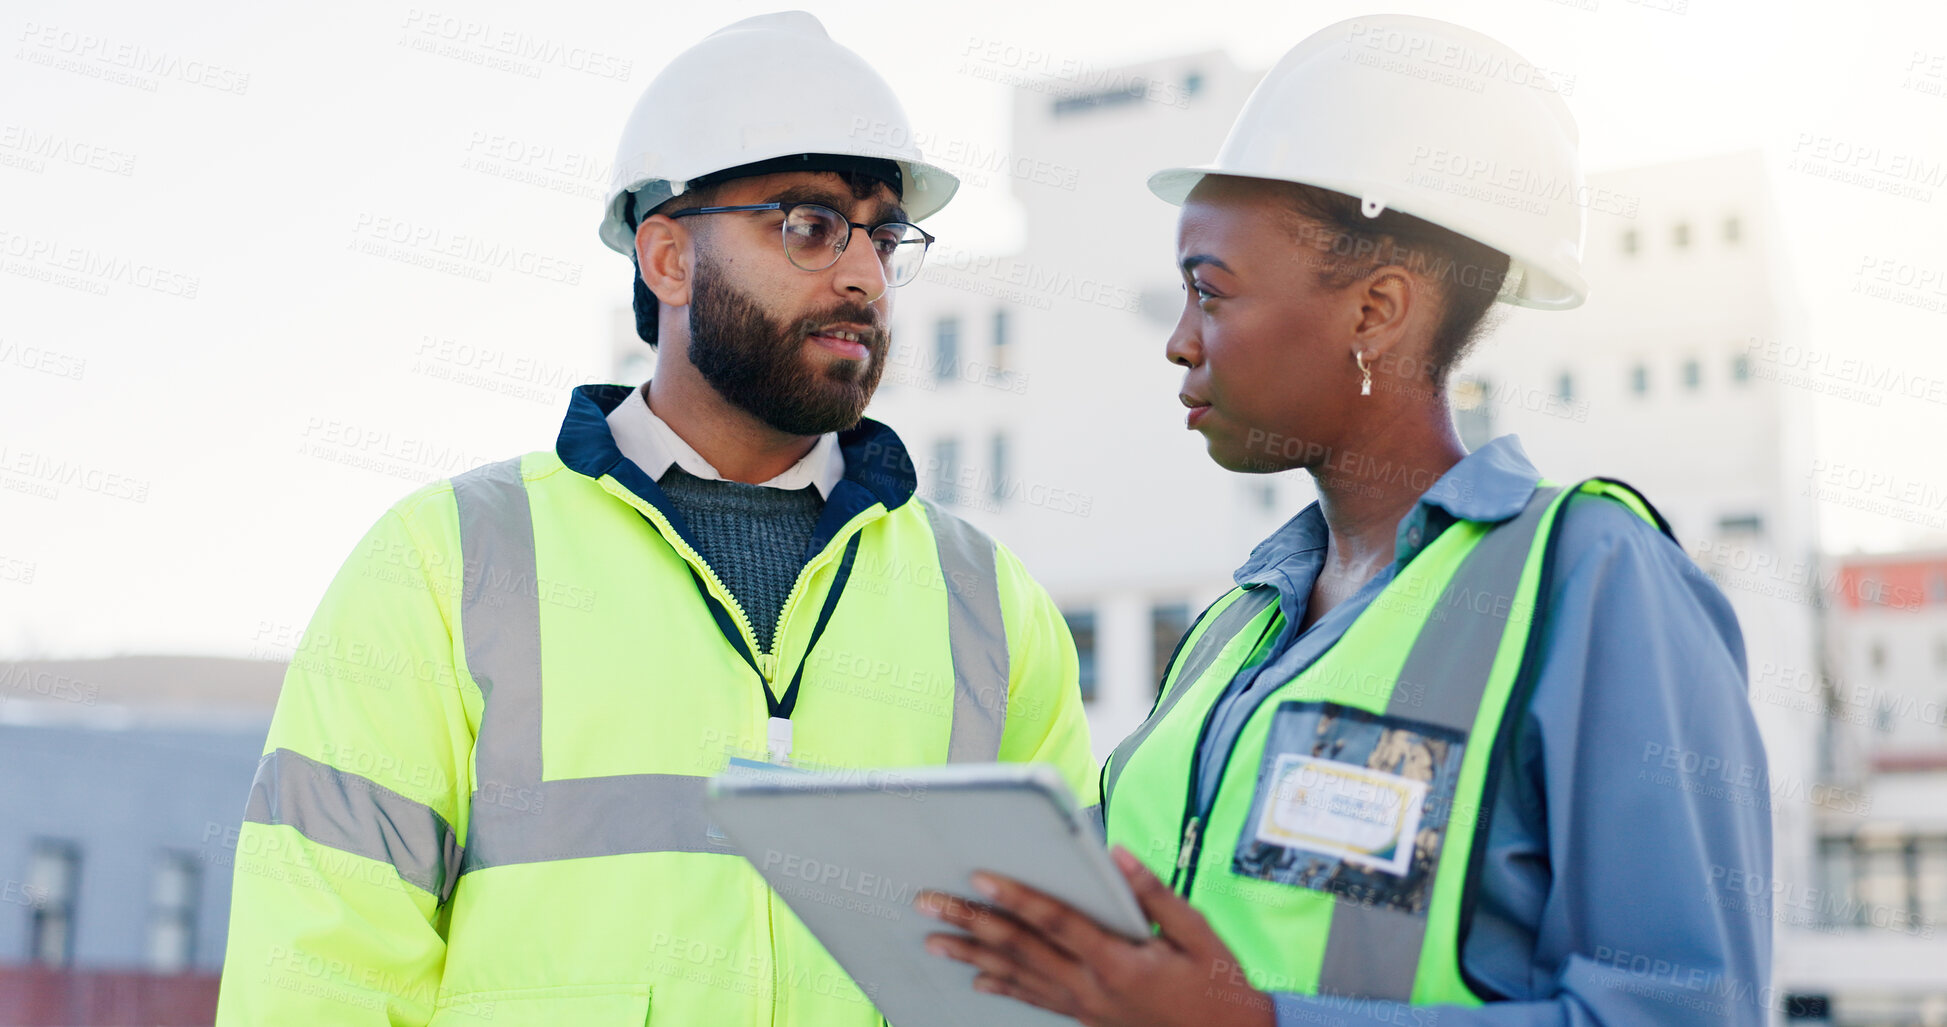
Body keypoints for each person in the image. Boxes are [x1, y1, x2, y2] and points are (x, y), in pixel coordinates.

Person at [214, 12, 1093, 1025]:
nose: (863, 275)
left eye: (884, 235)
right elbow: (319, 976)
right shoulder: (447, 562)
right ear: (667, 257)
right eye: (809, 223)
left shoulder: (988, 602)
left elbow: (1056, 986)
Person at [919, 14, 1771, 1026]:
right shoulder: (1236, 628)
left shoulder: (1597, 587)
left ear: (1376, 312)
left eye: (1211, 292)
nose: (1180, 343)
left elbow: (1684, 1012)